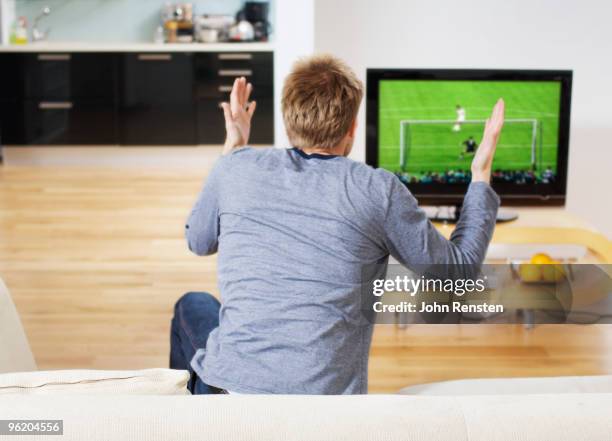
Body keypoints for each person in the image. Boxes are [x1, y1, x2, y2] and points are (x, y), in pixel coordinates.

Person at [170, 55, 505, 395]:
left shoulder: (235, 168)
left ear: (288, 121)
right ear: (352, 129)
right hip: (326, 410)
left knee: (192, 304)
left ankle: (188, 420)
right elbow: (458, 274)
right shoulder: (377, 189)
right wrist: (480, 175)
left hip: (229, 395)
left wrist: (234, 146)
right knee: (196, 303)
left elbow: (198, 241)